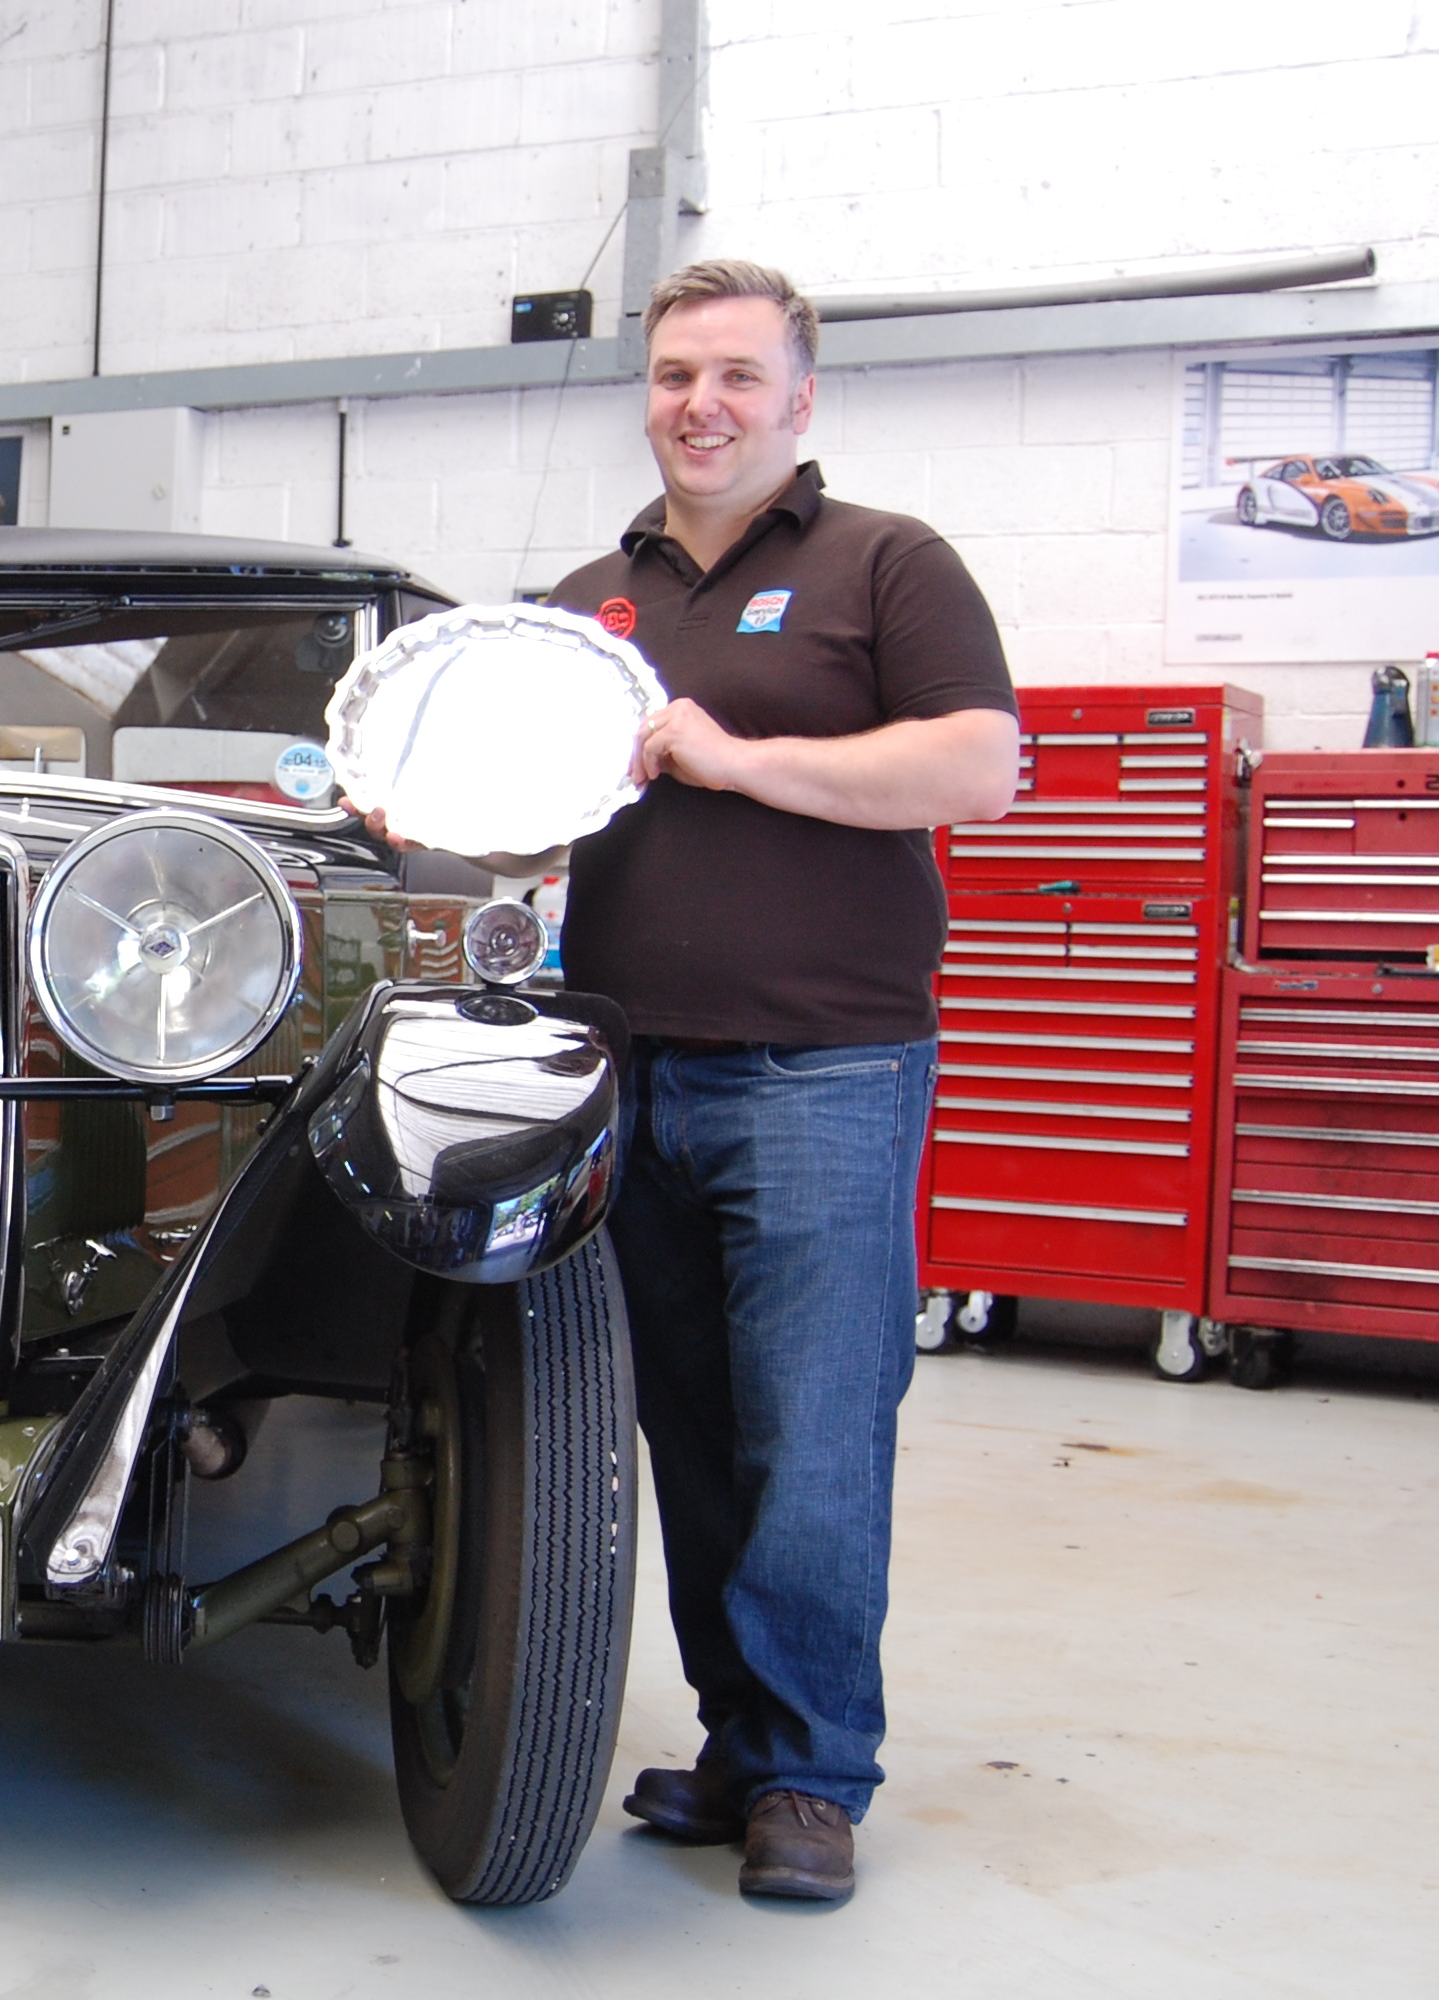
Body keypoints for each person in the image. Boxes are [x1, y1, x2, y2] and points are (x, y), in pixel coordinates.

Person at [536, 259, 1019, 1899]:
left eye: (738, 375)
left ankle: (814, 1773)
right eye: (677, 374)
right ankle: (742, 1745)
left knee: (814, 1431)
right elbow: (540, 814)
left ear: (799, 399)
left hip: (823, 1069)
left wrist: (737, 759)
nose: (703, 404)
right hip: (632, 1068)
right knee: (691, 1429)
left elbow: (980, 763)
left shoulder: (886, 562)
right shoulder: (588, 598)